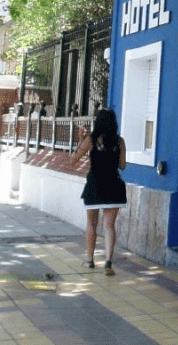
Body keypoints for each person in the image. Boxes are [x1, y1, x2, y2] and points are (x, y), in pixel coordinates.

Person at [70, 108, 127, 276]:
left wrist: (80, 141)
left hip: (95, 185)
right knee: (109, 226)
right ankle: (108, 263)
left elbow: (73, 161)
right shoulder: (120, 141)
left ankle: (90, 261)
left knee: (91, 224)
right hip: (114, 186)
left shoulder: (91, 140)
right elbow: (122, 165)